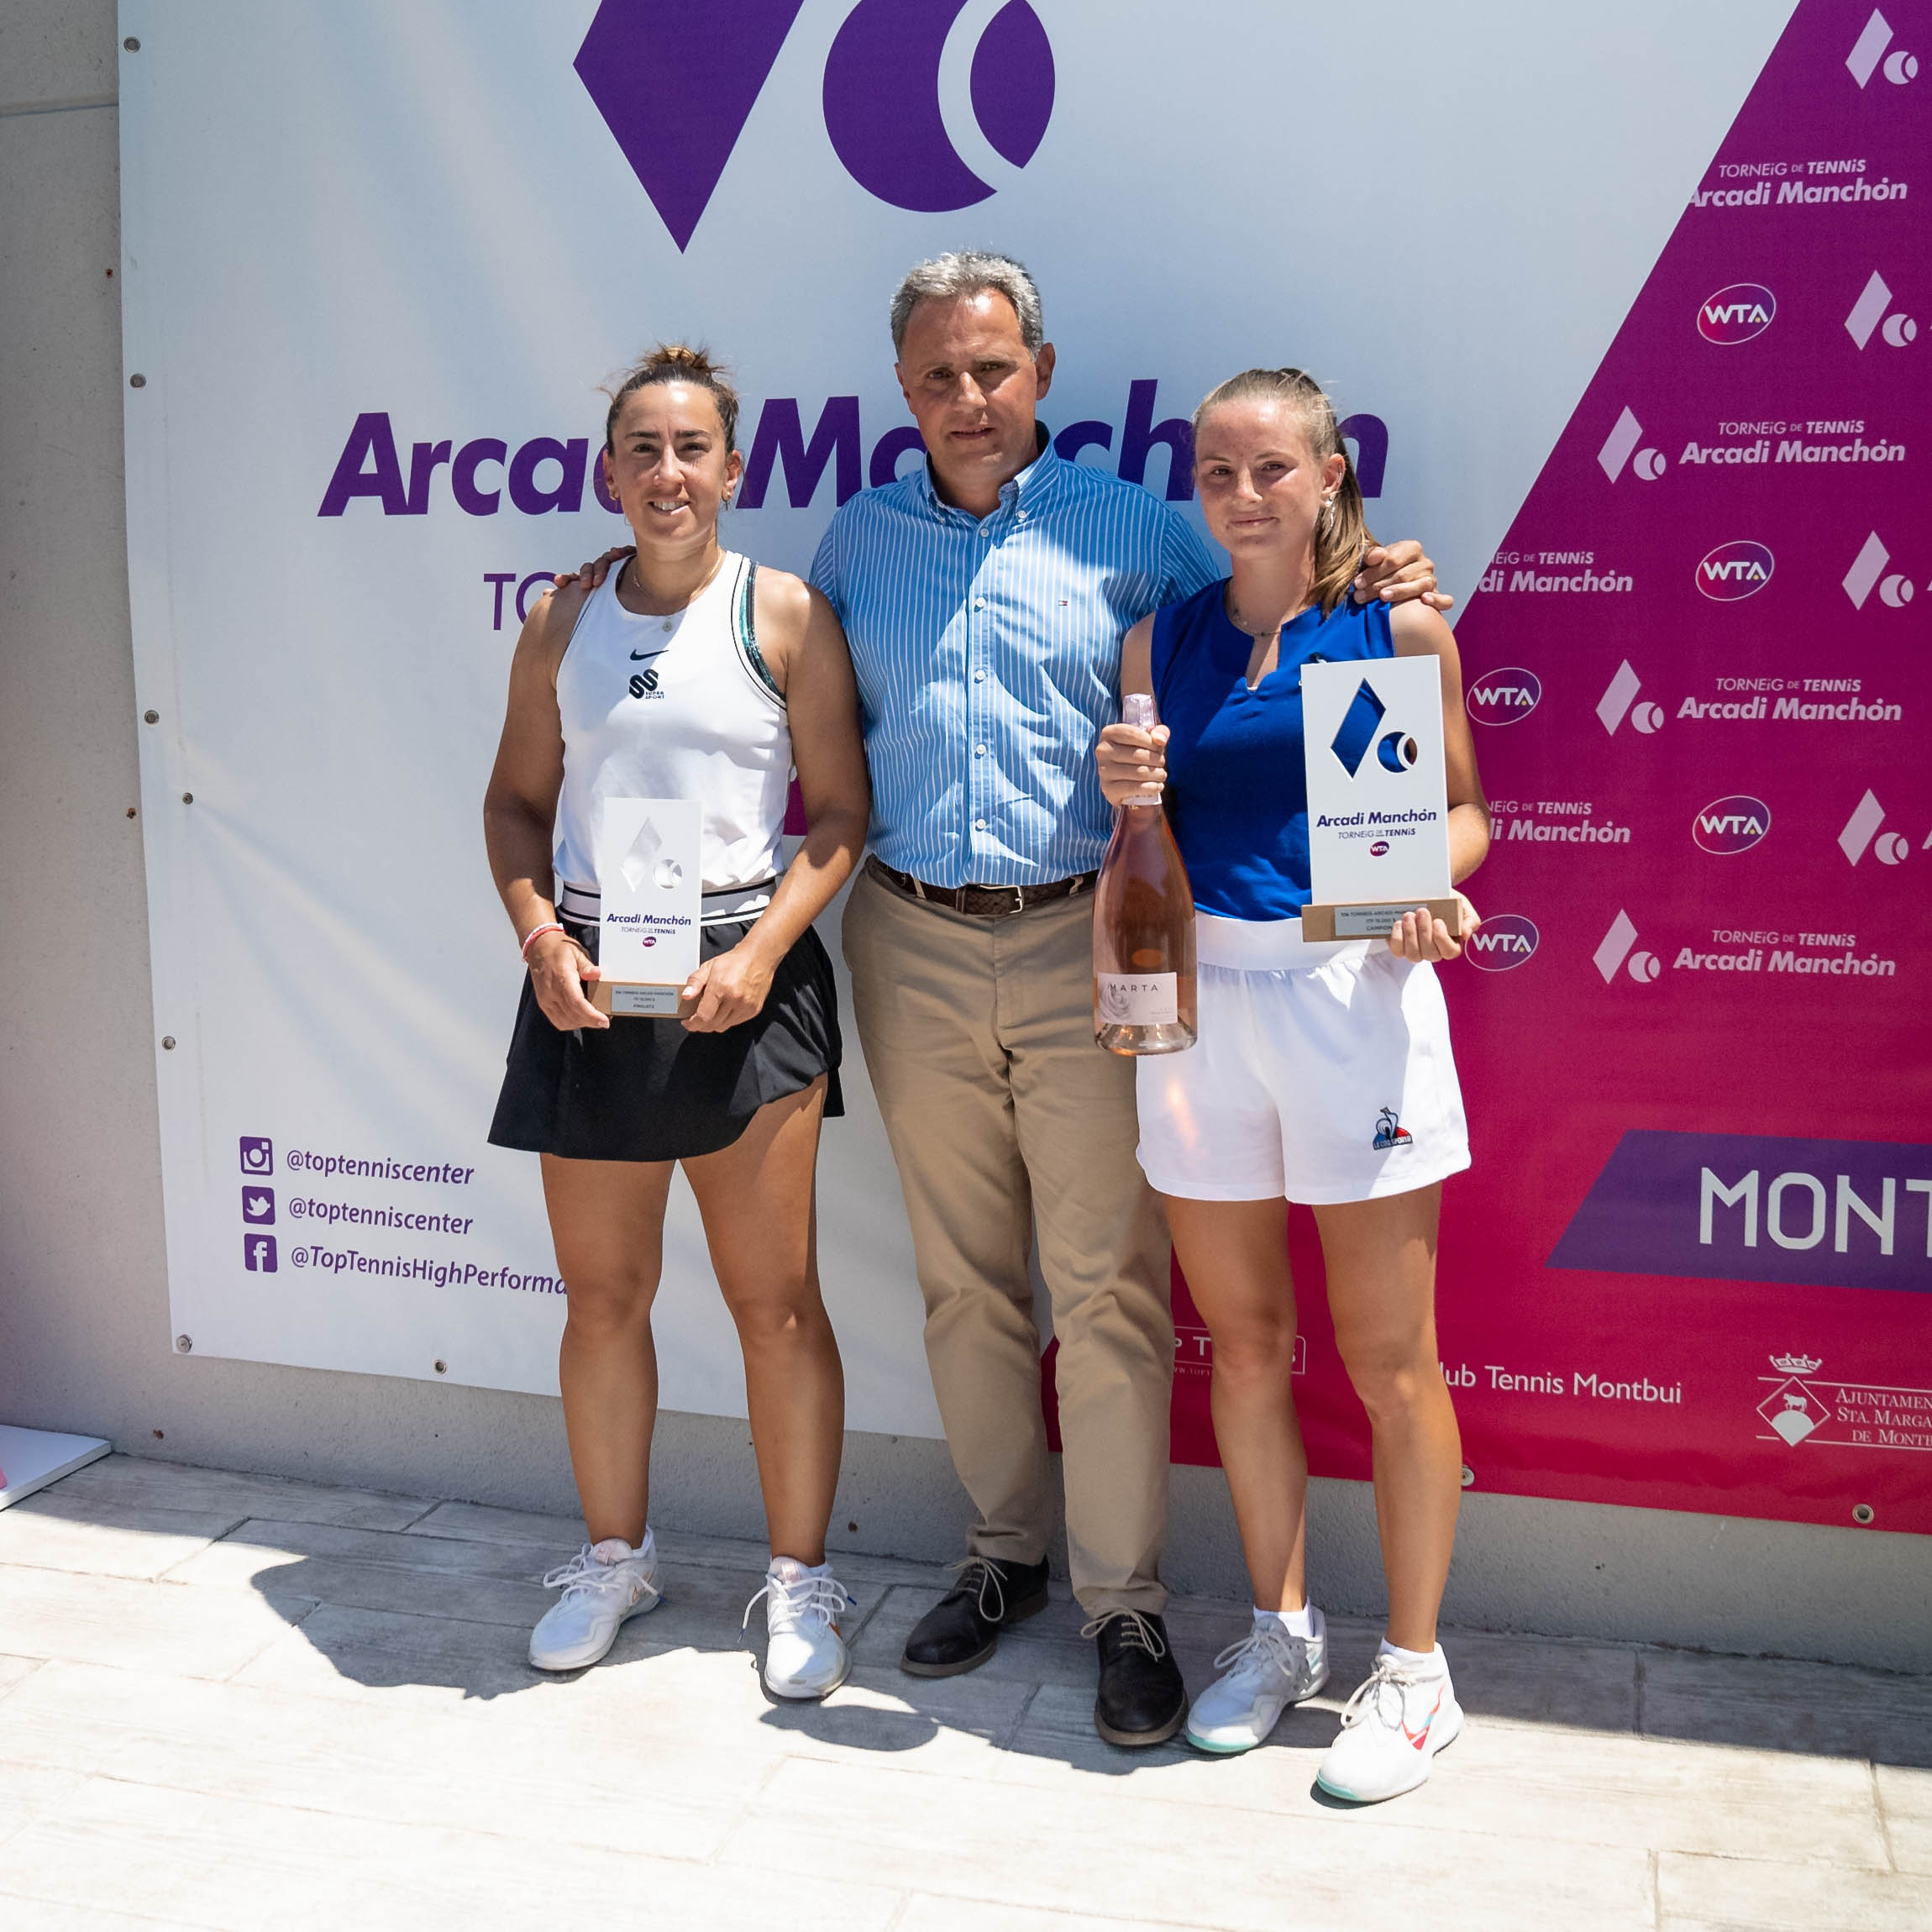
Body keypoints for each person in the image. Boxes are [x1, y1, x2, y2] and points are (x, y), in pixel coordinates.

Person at [808, 255, 1450, 1748]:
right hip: (908, 931)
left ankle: (1126, 1605)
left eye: (992, 368)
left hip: (1092, 942)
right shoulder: (854, 543)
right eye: (937, 375)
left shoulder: (1141, 533)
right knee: (964, 1277)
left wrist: (1383, 574)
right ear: (902, 390)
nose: (968, 398)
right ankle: (1002, 1555)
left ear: (1040, 371)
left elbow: (1273, 602)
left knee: (1105, 1284)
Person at [1096, 365, 1488, 1798]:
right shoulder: (1158, 641)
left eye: (1271, 468)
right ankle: (1280, 1636)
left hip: (1351, 1000)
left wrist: (1428, 891)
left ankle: (1420, 1677)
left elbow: (1463, 813)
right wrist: (1126, 795)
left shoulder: (1396, 622)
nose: (1243, 495)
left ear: (1330, 474)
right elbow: (1147, 847)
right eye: (1217, 472)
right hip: (1203, 1009)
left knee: (1390, 1363)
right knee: (1248, 1348)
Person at [483, 344, 870, 1701]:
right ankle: (615, 1560)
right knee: (603, 1300)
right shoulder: (561, 621)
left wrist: (761, 954)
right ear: (608, 472)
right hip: (591, 982)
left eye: (691, 447)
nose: (667, 472)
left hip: (742, 983)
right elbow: (514, 807)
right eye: (641, 449)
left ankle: (800, 1581)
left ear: (733, 467)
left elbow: (840, 816)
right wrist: (541, 938)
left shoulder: (785, 615)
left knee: (776, 1307)